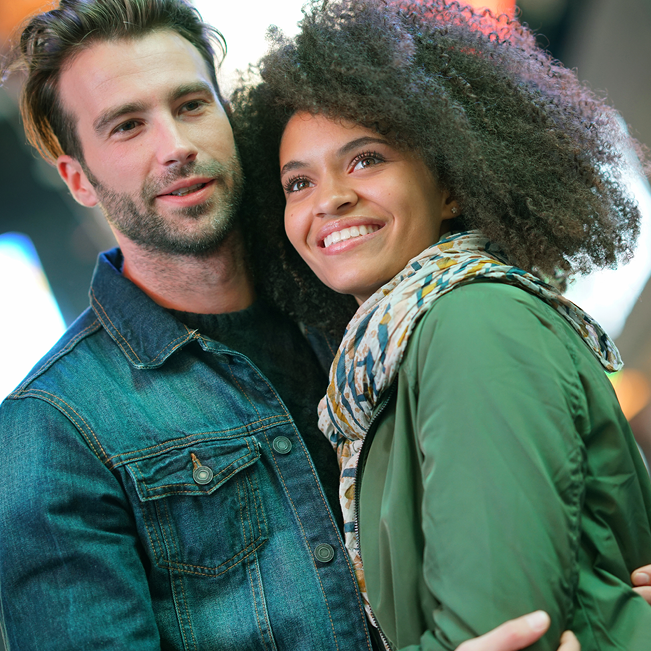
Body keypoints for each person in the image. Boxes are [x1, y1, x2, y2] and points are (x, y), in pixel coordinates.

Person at [0, 0, 615, 649]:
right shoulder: (53, 429)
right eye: (127, 125)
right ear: (78, 177)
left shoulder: (363, 316)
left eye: (190, 105)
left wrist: (603, 598)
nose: (175, 146)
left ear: (226, 112)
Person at [230, 0, 651, 649]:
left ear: (450, 181)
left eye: (366, 158)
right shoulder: (391, 352)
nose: (329, 197)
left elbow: (501, 628)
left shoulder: (471, 323)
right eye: (296, 182)